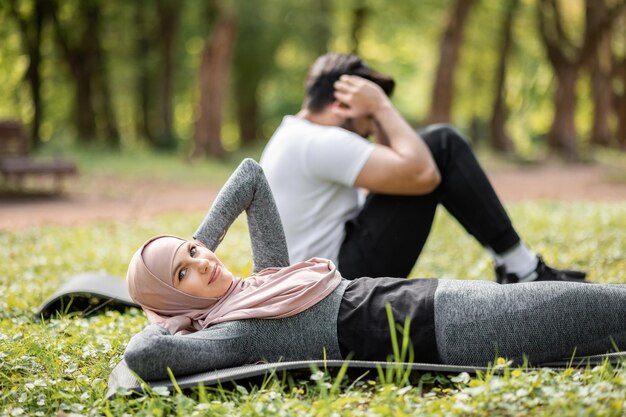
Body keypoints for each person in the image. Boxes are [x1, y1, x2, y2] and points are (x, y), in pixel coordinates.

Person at [123, 159, 626, 382]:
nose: (203, 262)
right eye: (183, 274)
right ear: (172, 299)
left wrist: (196, 243)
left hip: (428, 295)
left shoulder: (265, 280)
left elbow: (251, 176)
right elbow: (145, 355)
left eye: (194, 252)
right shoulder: (231, 334)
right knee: (590, 312)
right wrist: (170, 320)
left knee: (598, 307)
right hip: (433, 331)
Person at [259, 52, 585, 284]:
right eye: (368, 118)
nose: (371, 129)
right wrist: (382, 107)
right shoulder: (321, 142)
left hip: (319, 278)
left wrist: (376, 112)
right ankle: (523, 270)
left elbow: (391, 179)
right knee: (442, 143)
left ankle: (518, 267)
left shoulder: (294, 137)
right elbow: (422, 173)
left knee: (431, 148)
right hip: (337, 285)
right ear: (342, 105)